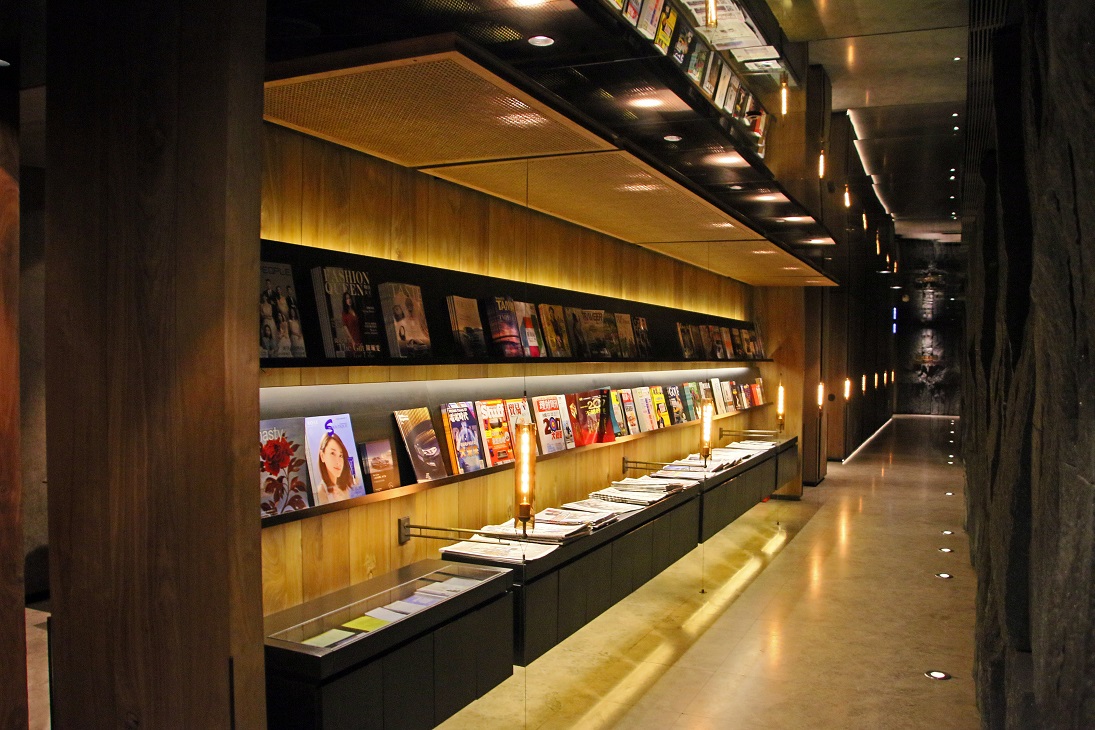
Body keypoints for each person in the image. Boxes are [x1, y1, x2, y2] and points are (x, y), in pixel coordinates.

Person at [314, 431, 354, 505]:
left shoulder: (344, 488)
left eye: (340, 455)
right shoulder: (321, 492)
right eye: (332, 453)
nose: (338, 462)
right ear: (322, 456)